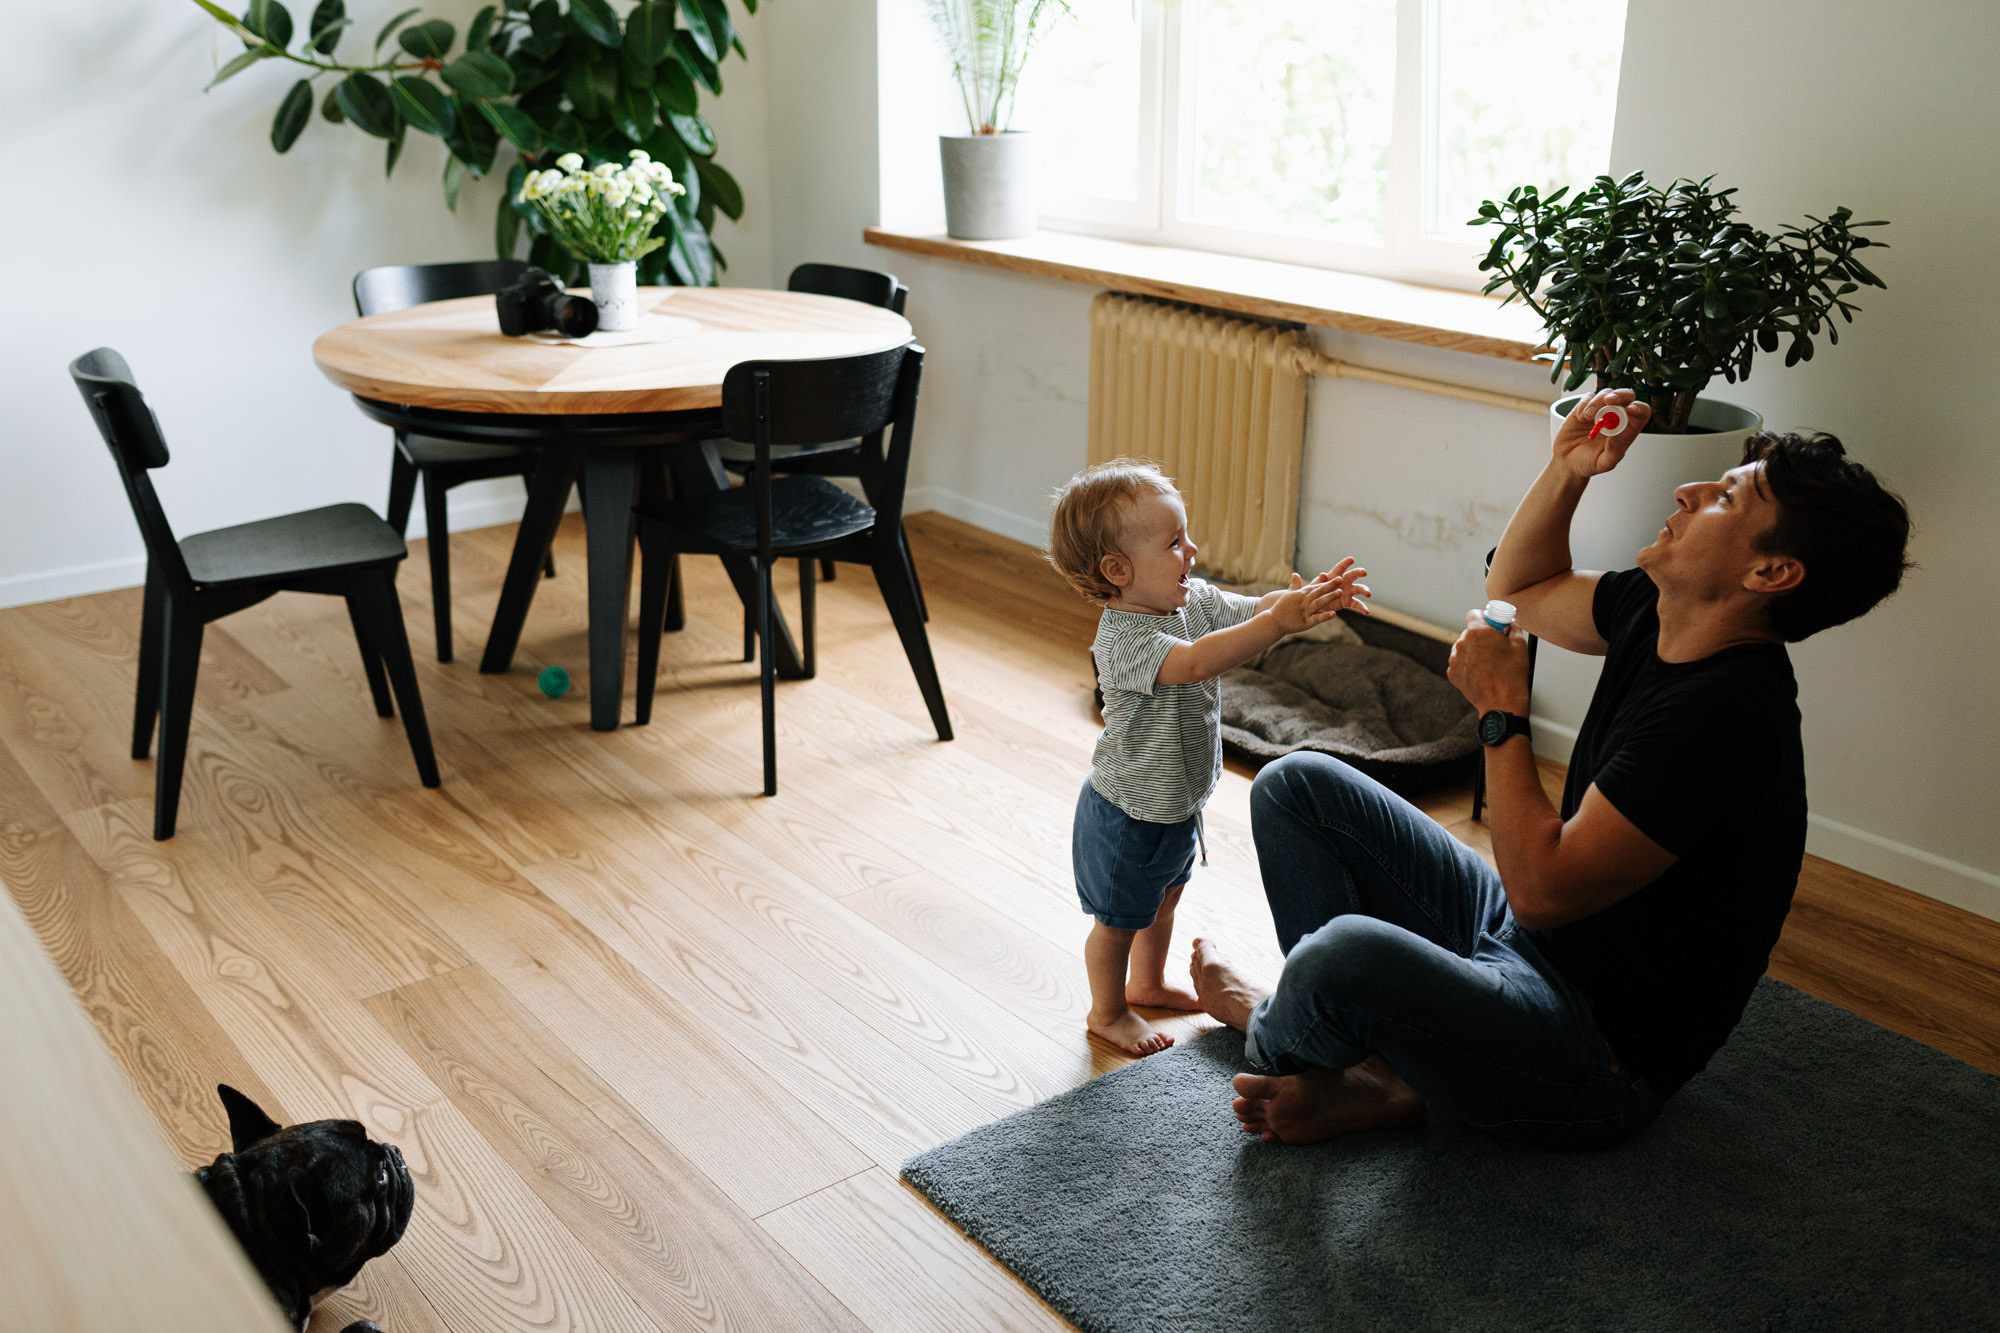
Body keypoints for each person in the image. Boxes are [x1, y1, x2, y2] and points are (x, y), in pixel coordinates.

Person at [1192, 388, 1912, 1147]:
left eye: (1728, 497)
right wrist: (1569, 469)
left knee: (1342, 957)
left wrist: (1502, 712)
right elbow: (1519, 590)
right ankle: (1372, 1068)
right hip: (1527, 939)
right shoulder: (1657, 608)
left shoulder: (1724, 718)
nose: (1690, 489)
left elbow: (1540, 889)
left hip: (1593, 1055)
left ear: (1771, 573)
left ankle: (1276, 1028)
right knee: (1297, 784)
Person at [1047, 459, 1370, 1056]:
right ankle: (1108, 1010)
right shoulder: (1123, 639)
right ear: (1117, 571)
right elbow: (1196, 662)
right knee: (1118, 920)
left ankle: (1147, 982)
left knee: (1164, 900)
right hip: (1126, 815)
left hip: (1175, 807)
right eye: (1174, 542)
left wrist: (1298, 602)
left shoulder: (1188, 598)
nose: (1191, 550)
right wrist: (1278, 623)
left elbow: (1248, 609)